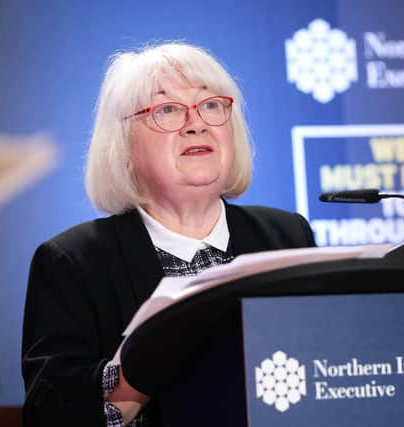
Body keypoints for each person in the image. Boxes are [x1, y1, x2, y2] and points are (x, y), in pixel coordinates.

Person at [21, 42, 315, 427]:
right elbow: (49, 415)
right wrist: (143, 366)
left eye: (211, 105)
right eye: (168, 109)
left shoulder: (287, 235)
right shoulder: (74, 260)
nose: (197, 123)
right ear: (123, 145)